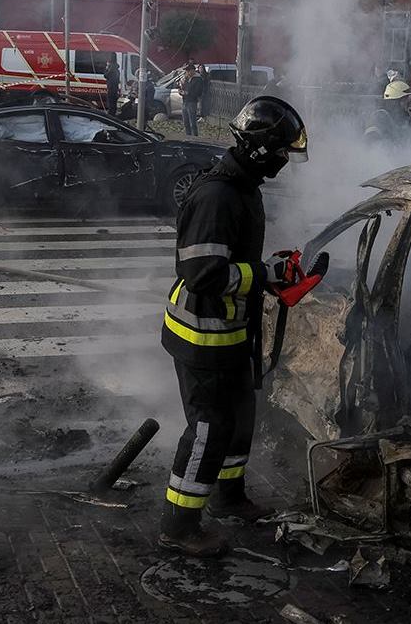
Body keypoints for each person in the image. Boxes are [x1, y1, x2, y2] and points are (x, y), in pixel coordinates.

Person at [159, 96, 312, 558]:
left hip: (229, 332)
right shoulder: (217, 196)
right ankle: (180, 525)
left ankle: (229, 497)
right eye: (282, 151)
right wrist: (264, 274)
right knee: (209, 427)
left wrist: (270, 270)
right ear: (262, 149)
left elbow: (235, 260)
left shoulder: (243, 186)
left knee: (240, 417)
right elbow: (203, 273)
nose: (285, 160)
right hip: (201, 336)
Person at [182, 64, 204, 137]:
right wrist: (182, 91)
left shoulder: (198, 79)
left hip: (192, 102)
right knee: (186, 122)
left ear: (192, 71)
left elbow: (198, 92)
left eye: (188, 71)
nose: (186, 72)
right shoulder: (187, 79)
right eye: (186, 71)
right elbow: (184, 88)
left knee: (192, 122)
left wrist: (187, 93)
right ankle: (188, 136)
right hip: (185, 101)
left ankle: (195, 137)